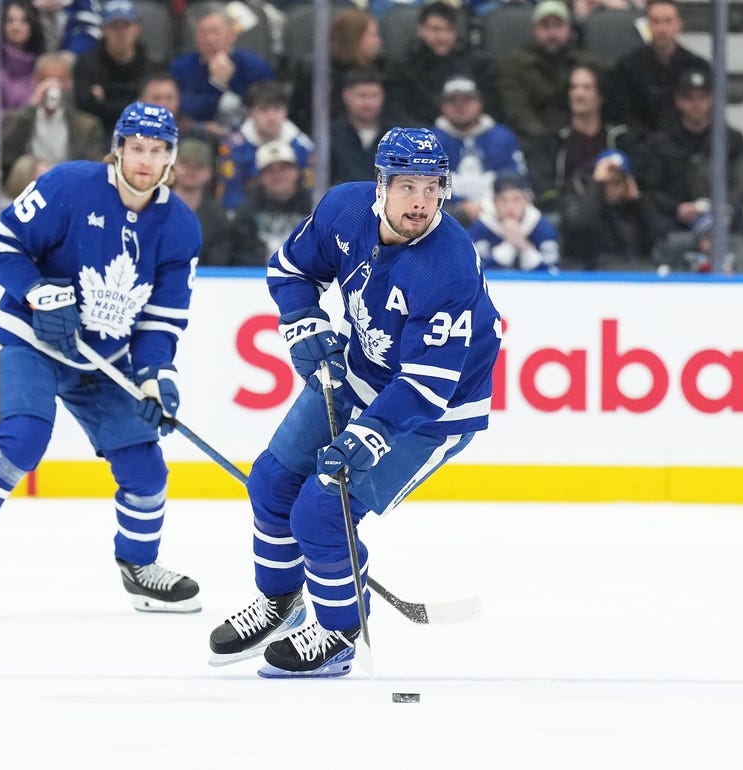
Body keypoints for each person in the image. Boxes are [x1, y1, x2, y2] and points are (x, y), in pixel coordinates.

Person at [208, 127, 502, 678]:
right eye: (407, 185)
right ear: (381, 185)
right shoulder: (344, 209)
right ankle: (280, 602)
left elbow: (428, 385)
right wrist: (301, 320)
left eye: (433, 187)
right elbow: (291, 269)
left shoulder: (447, 265)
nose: (421, 200)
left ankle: (342, 630)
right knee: (271, 481)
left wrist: (368, 434)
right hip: (361, 373)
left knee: (322, 512)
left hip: (431, 413)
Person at [0, 102, 204, 615]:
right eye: (136, 148)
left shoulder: (180, 228)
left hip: (105, 358)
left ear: (171, 158)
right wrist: (38, 293)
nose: (145, 160)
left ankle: (140, 569)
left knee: (146, 469)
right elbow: (0, 247)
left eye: (157, 150)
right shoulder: (69, 186)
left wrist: (156, 377)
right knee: (21, 442)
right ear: (118, 149)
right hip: (30, 338)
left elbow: (161, 320)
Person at [638, 68, 743, 271]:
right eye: (689, 98)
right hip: (675, 224)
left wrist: (726, 208)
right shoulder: (660, 142)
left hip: (724, 223)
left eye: (702, 97)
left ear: (711, 99)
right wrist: (676, 208)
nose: (696, 104)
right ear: (678, 100)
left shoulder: (731, 140)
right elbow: (649, 189)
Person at [526, 62, 633, 216]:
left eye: (587, 88)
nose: (578, 94)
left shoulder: (620, 138)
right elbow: (544, 190)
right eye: (574, 87)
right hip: (568, 216)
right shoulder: (553, 141)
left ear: (601, 96)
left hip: (616, 215)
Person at [430, 75, 528, 226]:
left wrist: (491, 205)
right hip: (447, 217)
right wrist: (461, 205)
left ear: (480, 103)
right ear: (442, 106)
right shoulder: (429, 141)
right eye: (453, 101)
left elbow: (516, 179)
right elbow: (426, 186)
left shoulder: (502, 136)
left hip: (500, 216)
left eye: (467, 100)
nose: (460, 107)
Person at [169, 2, 275, 141]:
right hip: (197, 138)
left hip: (250, 138)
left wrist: (234, 132)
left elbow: (265, 107)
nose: (210, 40)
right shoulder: (181, 68)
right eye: (203, 33)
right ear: (195, 38)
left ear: (231, 35)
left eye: (216, 32)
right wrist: (217, 85)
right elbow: (184, 110)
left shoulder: (256, 66)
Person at [604, 0, 710, 137]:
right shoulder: (627, 67)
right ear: (647, 26)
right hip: (641, 147)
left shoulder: (697, 66)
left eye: (668, 21)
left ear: (679, 25)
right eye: (656, 21)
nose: (662, 29)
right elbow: (622, 114)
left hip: (686, 145)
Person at [496, 0, 597, 143]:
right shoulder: (515, 64)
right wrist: (543, 138)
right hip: (529, 139)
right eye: (545, 26)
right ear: (534, 30)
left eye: (558, 26)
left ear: (569, 29)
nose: (552, 33)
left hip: (575, 137)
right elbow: (516, 110)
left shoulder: (585, 63)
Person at [383, 2, 494, 127]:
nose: (442, 37)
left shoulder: (475, 63)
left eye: (449, 30)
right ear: (421, 30)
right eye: (435, 30)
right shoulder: (404, 65)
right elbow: (398, 112)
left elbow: (489, 106)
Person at [1, 51, 107, 176]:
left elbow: (93, 168)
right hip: (27, 187)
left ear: (69, 82)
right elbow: (4, 157)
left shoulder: (87, 126)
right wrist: (30, 108)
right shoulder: (14, 119)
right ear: (35, 81)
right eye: (45, 79)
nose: (52, 86)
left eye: (59, 80)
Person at [214, 80, 314, 212]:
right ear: (250, 113)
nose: (271, 117)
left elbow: (311, 190)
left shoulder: (303, 147)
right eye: (263, 110)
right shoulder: (231, 146)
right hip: (246, 216)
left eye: (277, 109)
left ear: (286, 111)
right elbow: (229, 191)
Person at [559, 148, 663, 270]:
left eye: (617, 182)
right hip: (591, 275)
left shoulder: (634, 208)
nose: (611, 188)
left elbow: (658, 236)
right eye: (605, 183)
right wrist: (597, 186)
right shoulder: (576, 202)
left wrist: (638, 199)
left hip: (631, 272)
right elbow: (582, 225)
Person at [73, 0, 157, 135]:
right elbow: (83, 105)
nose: (120, 33)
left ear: (137, 28)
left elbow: (152, 105)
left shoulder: (150, 65)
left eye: (126, 25)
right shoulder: (86, 64)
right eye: (114, 26)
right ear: (102, 29)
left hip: (141, 130)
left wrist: (102, 102)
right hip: (99, 131)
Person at [230, 140, 313, 264]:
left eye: (284, 168)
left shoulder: (314, 207)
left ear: (297, 171)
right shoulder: (246, 211)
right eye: (269, 171)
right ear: (259, 177)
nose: (277, 176)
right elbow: (239, 255)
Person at [468, 171, 560, 272]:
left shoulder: (541, 226)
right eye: (503, 200)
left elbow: (553, 271)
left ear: (526, 200)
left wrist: (525, 247)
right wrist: (508, 247)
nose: (510, 207)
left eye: (516, 199)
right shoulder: (481, 227)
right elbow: (476, 271)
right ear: (494, 202)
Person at [170, 138, 234, 266]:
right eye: (185, 164)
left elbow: (220, 261)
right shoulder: (155, 208)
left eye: (199, 166)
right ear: (173, 166)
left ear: (209, 172)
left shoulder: (218, 217)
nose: (191, 171)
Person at [329, 69, 395, 185]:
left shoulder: (395, 137)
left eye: (374, 96)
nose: (368, 103)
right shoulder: (331, 135)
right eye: (361, 96)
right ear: (346, 96)